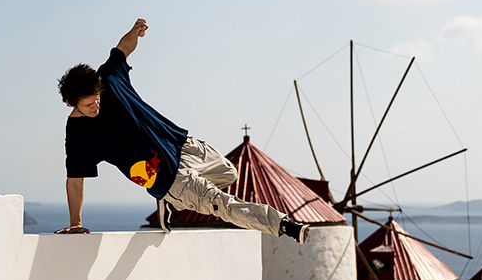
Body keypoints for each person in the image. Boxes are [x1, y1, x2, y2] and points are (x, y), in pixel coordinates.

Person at [55, 18, 309, 243]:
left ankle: (170, 202)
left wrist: (135, 31)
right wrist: (76, 222)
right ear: (70, 102)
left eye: (97, 98)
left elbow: (122, 49)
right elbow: (75, 181)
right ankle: (284, 225)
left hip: (180, 145)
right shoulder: (79, 134)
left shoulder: (107, 78)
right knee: (219, 203)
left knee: (229, 173)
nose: (96, 105)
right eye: (89, 104)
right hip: (163, 174)